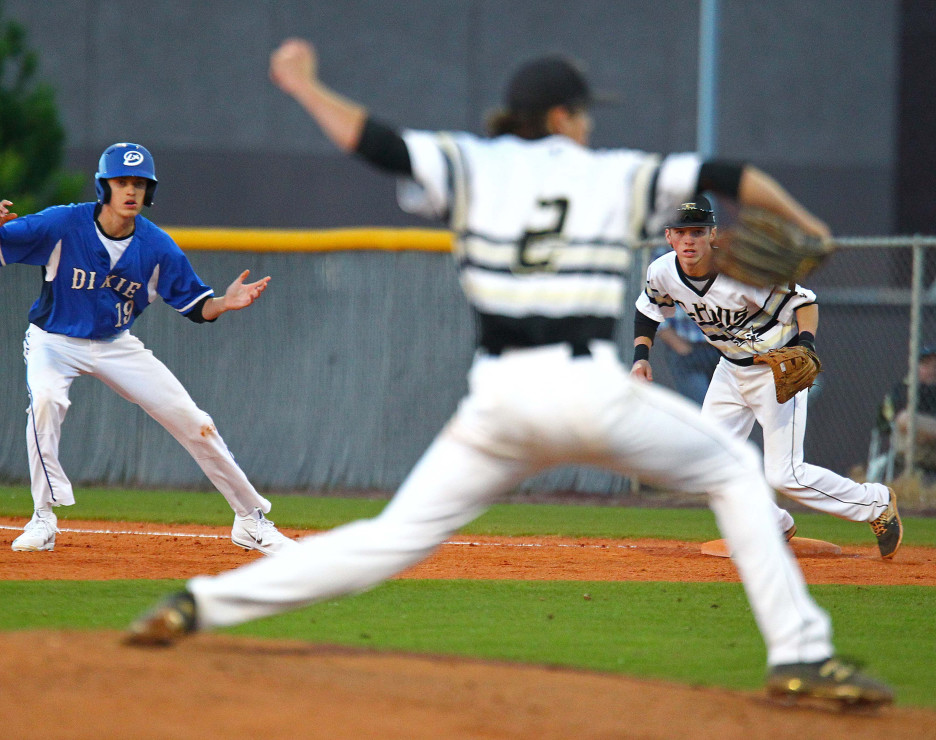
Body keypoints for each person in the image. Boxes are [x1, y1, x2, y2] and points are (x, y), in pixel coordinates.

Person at [126, 40, 893, 707]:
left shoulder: (471, 163)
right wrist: (809, 226)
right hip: (592, 391)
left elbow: (377, 142)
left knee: (391, 538)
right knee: (733, 469)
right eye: (582, 111)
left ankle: (199, 604)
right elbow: (733, 172)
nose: (588, 123)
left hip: (499, 402)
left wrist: (301, 84)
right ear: (562, 117)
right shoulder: (618, 174)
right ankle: (799, 656)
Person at [0, 142, 295, 556]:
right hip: (55, 339)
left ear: (148, 191)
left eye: (139, 183)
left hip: (115, 344)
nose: (131, 191)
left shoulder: (156, 246)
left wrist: (224, 304)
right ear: (104, 186)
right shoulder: (63, 223)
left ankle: (251, 521)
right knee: (47, 401)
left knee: (195, 421)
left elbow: (197, 307)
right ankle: (43, 518)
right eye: (122, 181)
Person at [631, 197, 903, 559]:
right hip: (729, 371)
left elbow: (804, 302)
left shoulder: (742, 272)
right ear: (668, 236)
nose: (689, 240)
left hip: (775, 372)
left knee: (785, 475)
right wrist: (640, 358)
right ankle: (773, 524)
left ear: (713, 234)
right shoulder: (663, 271)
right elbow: (649, 310)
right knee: (705, 462)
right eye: (681, 232)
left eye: (698, 231)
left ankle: (876, 503)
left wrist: (806, 344)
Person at [874, 346, 936, 477]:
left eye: (934, 366)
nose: (932, 370)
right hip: (911, 446)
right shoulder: (904, 389)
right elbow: (903, 420)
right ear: (915, 367)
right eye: (926, 365)